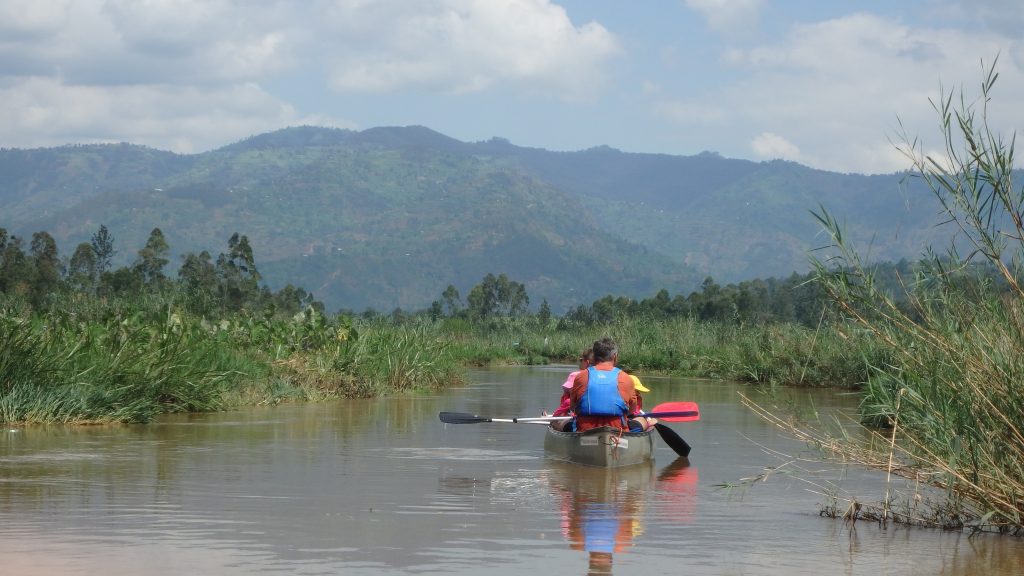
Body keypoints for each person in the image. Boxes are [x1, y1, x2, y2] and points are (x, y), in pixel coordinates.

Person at [569, 338, 637, 432]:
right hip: (617, 432)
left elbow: (573, 407)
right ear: (615, 356)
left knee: (561, 424)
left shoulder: (581, 376)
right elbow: (632, 409)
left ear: (594, 356)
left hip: (585, 430)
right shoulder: (626, 378)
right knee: (642, 422)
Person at [545, 348, 593, 430]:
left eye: (581, 360)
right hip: (579, 418)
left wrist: (551, 418)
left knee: (556, 423)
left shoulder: (569, 400)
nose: (566, 389)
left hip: (573, 420)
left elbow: (558, 412)